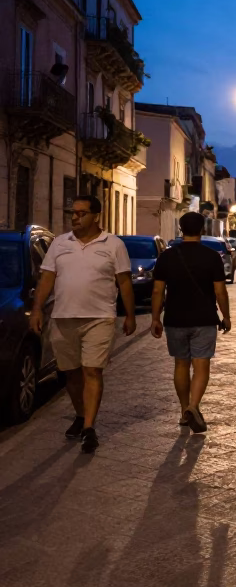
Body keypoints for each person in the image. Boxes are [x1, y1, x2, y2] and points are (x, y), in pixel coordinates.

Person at [28, 194, 135, 454]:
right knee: (70, 373)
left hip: (99, 317)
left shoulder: (114, 244)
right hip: (64, 317)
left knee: (92, 371)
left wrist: (130, 315)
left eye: (81, 213)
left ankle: (89, 428)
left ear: (96, 216)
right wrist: (37, 310)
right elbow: (47, 279)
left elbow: (123, 282)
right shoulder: (59, 244)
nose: (75, 217)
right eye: (73, 213)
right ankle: (80, 414)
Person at [150, 211, 230, 433]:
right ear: (203, 230)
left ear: (180, 230)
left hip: (175, 318)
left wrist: (155, 317)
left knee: (181, 364)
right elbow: (220, 291)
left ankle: (184, 409)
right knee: (201, 364)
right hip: (204, 318)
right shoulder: (212, 257)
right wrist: (226, 315)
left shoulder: (167, 256)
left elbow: (157, 290)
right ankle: (194, 406)